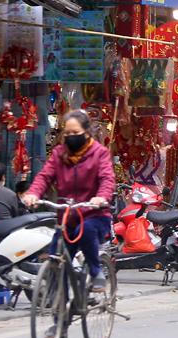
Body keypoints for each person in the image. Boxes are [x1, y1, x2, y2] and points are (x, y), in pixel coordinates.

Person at [23, 110, 114, 305]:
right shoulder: (58, 154)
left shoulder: (99, 153)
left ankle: (95, 270)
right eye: (68, 134)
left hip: (94, 214)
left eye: (76, 132)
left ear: (86, 132)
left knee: (86, 230)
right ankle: (59, 322)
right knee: (57, 261)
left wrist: (101, 197)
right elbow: (45, 176)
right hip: (66, 217)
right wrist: (33, 193)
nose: (72, 137)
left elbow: (107, 179)